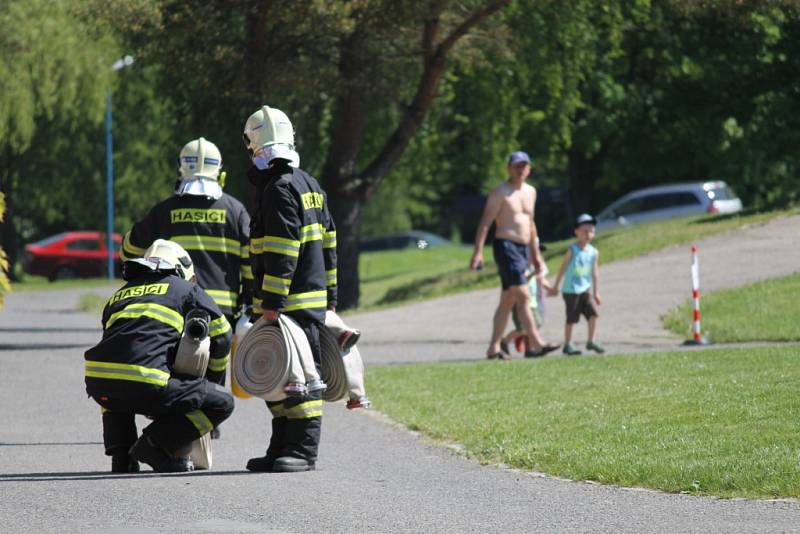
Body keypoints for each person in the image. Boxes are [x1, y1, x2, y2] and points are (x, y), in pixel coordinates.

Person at [242, 105, 337, 473]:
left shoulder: (279, 189)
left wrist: (272, 302)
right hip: (308, 301)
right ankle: (280, 447)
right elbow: (330, 245)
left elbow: (283, 251)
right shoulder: (309, 183)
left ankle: (302, 451)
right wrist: (331, 298)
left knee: (301, 380)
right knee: (283, 376)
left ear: (256, 147)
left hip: (289, 304)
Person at [84, 239, 234, 473]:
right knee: (223, 403)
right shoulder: (186, 289)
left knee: (117, 380)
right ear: (181, 269)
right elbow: (223, 335)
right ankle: (153, 446)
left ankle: (121, 456)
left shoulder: (119, 294)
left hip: (99, 385)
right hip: (148, 384)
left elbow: (120, 349)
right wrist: (208, 386)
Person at [120, 137, 252, 396]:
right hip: (221, 308)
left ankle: (178, 420)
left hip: (175, 305)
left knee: (177, 365)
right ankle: (209, 421)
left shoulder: (166, 210)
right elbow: (252, 264)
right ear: (220, 174)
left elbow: (129, 251)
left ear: (181, 170)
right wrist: (249, 304)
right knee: (215, 366)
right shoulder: (236, 211)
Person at [470, 150, 559, 359]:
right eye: (517, 166)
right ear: (509, 168)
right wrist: (478, 252)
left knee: (508, 300)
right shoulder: (500, 192)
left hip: (523, 248)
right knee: (524, 294)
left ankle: (494, 347)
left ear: (529, 168)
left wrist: (536, 255)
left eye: (524, 166)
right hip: (505, 246)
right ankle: (537, 342)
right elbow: (485, 223)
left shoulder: (531, 192)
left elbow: (531, 224)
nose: (520, 170)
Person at [548, 213, 604, 356]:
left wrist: (596, 292)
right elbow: (563, 269)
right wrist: (555, 286)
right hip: (570, 290)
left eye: (591, 230)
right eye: (585, 231)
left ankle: (591, 341)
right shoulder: (572, 250)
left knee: (593, 313)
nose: (588, 234)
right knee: (572, 317)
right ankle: (568, 344)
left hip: (585, 289)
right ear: (576, 232)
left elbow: (595, 273)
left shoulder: (593, 252)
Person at [501, 264, 551, 357]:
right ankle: (504, 341)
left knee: (537, 324)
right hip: (520, 302)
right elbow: (520, 280)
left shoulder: (535, 264)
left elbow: (541, 279)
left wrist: (550, 288)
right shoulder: (520, 264)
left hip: (533, 302)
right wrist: (533, 273)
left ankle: (529, 349)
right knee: (523, 329)